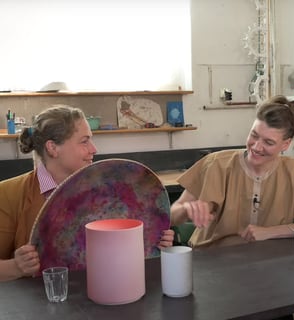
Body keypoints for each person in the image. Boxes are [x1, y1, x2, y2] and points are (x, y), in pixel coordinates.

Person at [0, 105, 174, 282]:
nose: (94, 149)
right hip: (38, 305)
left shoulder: (110, 191)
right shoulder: (8, 194)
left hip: (102, 295)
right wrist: (15, 267)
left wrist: (151, 242)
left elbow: (117, 258)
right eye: (84, 141)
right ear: (53, 148)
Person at [171, 95, 294, 248]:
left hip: (270, 262)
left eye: (268, 142)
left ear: (285, 144)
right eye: (254, 135)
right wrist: (185, 210)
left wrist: (272, 232)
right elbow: (172, 215)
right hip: (211, 262)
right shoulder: (215, 164)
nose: (256, 147)